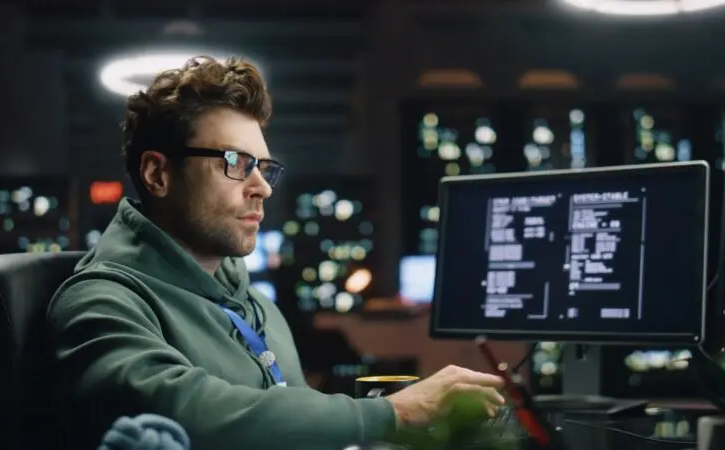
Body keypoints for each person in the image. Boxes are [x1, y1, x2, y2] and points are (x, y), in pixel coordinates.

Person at [47, 56, 504, 450]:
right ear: (157, 174)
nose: (262, 187)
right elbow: (183, 410)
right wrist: (394, 414)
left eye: (263, 167)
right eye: (235, 163)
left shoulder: (256, 305)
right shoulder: (100, 302)